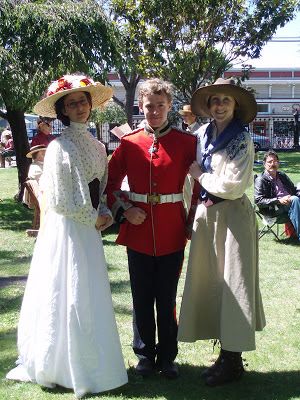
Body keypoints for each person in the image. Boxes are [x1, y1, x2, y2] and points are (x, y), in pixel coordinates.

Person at [6, 74, 128, 398]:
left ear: (91, 105)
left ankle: (93, 363)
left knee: (88, 290)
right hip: (67, 230)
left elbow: (99, 189)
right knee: (67, 288)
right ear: (62, 111)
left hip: (89, 230)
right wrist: (93, 216)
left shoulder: (99, 147)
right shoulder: (59, 147)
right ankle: (61, 364)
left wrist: (103, 212)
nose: (79, 107)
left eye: (82, 101)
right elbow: (60, 199)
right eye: (71, 103)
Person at [106, 78, 197, 379]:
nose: (154, 111)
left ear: (170, 106)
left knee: (167, 297)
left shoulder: (187, 143)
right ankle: (144, 354)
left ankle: (168, 356)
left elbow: (198, 186)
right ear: (140, 107)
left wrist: (191, 219)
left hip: (171, 231)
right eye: (149, 106)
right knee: (141, 296)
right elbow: (109, 185)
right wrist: (124, 210)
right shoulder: (130, 142)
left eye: (160, 106)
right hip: (139, 232)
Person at [178, 78, 266, 386]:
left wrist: (201, 176)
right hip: (208, 216)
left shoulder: (241, 139)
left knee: (235, 284)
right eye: (215, 100)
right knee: (214, 284)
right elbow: (187, 172)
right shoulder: (201, 133)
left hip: (232, 218)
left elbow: (232, 185)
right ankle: (224, 356)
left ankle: (233, 360)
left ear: (236, 105)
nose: (219, 105)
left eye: (225, 101)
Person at [255, 150, 300, 240]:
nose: (273, 164)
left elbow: (293, 190)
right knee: (295, 199)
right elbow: (258, 201)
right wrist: (278, 200)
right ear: (264, 164)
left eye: (275, 161)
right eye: (270, 162)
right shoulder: (261, 179)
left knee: (295, 198)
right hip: (273, 209)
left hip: (290, 204)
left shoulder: (282, 175)